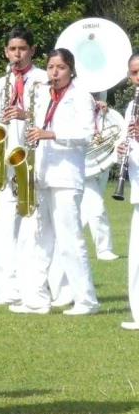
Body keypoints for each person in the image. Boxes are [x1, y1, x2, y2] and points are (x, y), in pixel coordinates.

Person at [9, 48, 99, 316]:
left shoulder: (80, 95)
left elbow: (86, 133)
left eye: (60, 68)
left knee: (71, 240)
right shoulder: (45, 96)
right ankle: (37, 299)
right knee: (39, 238)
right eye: (50, 67)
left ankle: (86, 300)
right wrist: (24, 116)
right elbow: (37, 125)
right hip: (42, 174)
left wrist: (51, 133)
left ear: (71, 69)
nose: (54, 73)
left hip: (66, 176)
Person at [0, 27, 47, 305]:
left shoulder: (44, 79)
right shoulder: (2, 83)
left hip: (34, 160)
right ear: (5, 52)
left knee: (33, 228)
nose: (17, 55)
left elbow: (50, 116)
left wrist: (25, 114)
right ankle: (4, 285)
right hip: (7, 161)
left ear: (32, 50)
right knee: (3, 226)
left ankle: (30, 286)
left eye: (22, 49)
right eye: (12, 49)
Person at [80, 94, 119, 261]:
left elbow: (120, 130)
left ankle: (61, 244)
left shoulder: (106, 112)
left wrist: (107, 112)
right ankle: (103, 249)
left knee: (87, 209)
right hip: (79, 165)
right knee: (96, 207)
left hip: (99, 165)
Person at [119, 52, 139, 330]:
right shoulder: (132, 107)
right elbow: (125, 139)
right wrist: (120, 149)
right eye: (134, 73)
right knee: (136, 258)